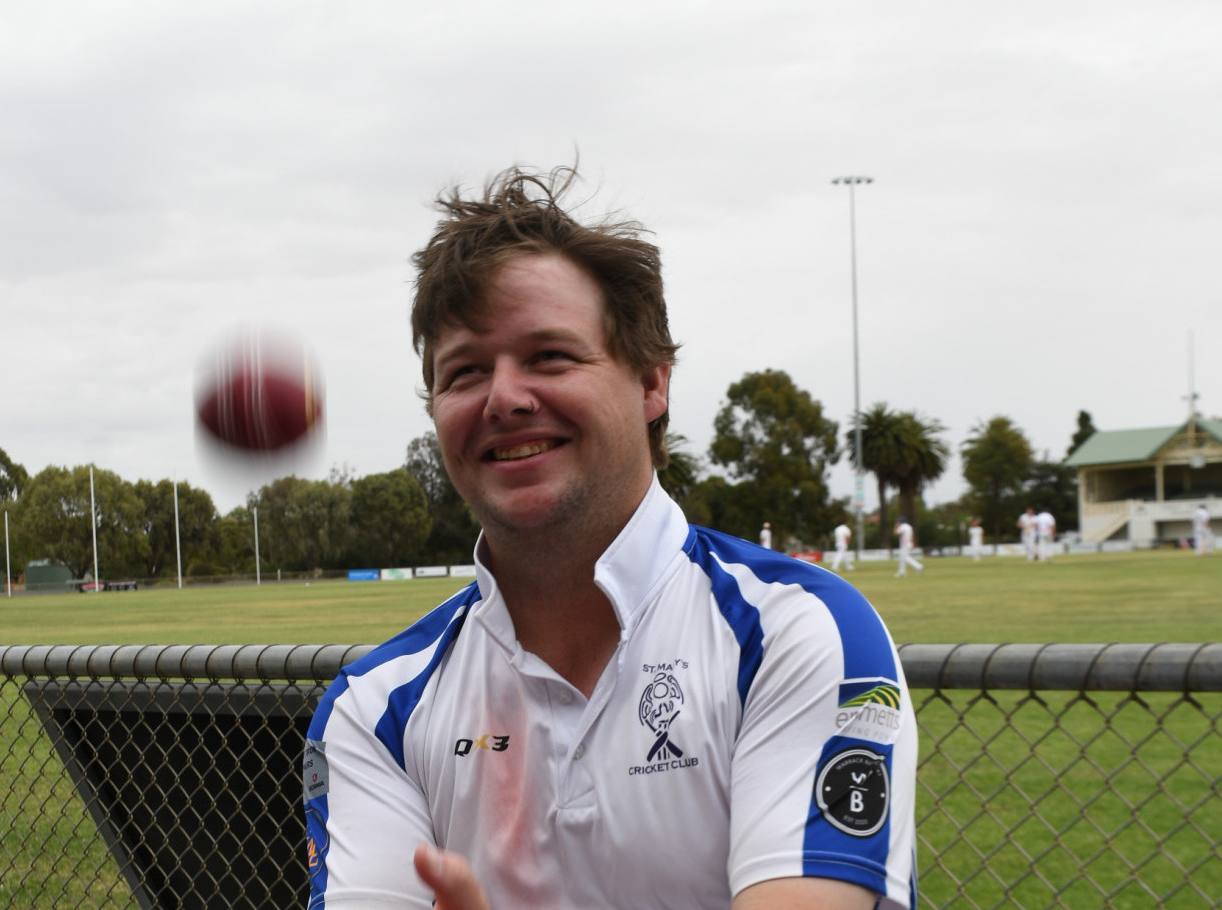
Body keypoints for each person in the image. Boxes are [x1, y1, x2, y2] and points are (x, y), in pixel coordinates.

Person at [303, 166, 917, 910]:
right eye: (463, 372)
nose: (503, 397)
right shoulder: (375, 710)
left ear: (652, 383)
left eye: (549, 357)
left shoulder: (793, 631)